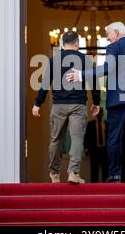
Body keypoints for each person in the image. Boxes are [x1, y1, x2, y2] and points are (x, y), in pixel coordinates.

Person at [67, 22, 125, 183]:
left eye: (108, 35)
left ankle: (115, 174)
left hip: (119, 99)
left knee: (114, 137)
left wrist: (82, 75)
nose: (107, 38)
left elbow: (107, 68)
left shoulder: (114, 47)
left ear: (117, 33)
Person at [32, 31, 101, 184]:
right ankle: (73, 173)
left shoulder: (54, 60)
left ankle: (54, 174)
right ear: (77, 44)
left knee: (56, 139)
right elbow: (94, 84)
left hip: (58, 105)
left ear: (62, 44)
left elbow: (45, 83)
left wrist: (38, 103)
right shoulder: (86, 60)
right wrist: (96, 102)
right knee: (77, 139)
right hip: (78, 104)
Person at [84, 108, 108, 183]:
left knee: (106, 171)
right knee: (94, 170)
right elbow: (87, 137)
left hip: (105, 151)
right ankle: (93, 188)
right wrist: (86, 149)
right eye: (98, 113)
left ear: (103, 114)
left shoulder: (106, 124)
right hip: (94, 151)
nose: (100, 114)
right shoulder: (91, 124)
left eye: (101, 112)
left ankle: (106, 187)